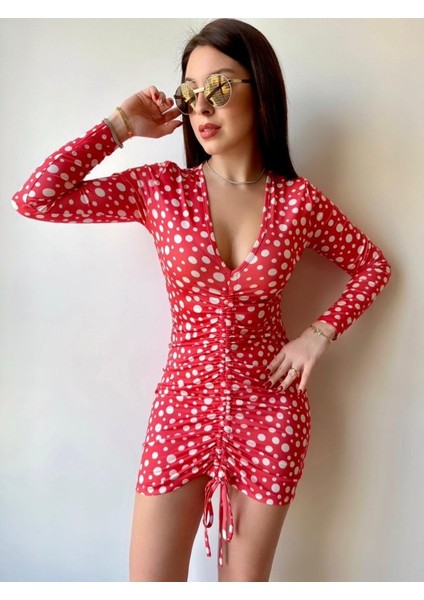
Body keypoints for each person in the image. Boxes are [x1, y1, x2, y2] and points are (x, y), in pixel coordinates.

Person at [11, 18, 392, 582]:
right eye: (189, 92)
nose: (201, 106)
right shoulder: (161, 189)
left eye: (218, 86)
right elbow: (35, 198)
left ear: (261, 91)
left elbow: (373, 265)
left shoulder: (300, 203)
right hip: (181, 407)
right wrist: (120, 126)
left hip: (271, 410)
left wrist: (318, 334)